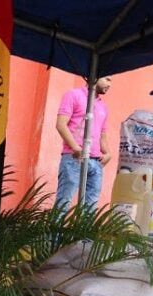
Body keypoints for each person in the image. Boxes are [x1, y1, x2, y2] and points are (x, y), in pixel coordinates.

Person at [55, 76, 112, 210]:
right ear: (95, 77)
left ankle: (82, 232)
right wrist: (76, 148)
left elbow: (102, 134)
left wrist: (108, 153)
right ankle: (54, 232)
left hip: (95, 162)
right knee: (63, 204)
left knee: (90, 209)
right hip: (74, 158)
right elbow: (61, 125)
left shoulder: (103, 106)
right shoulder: (73, 95)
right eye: (107, 79)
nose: (110, 84)